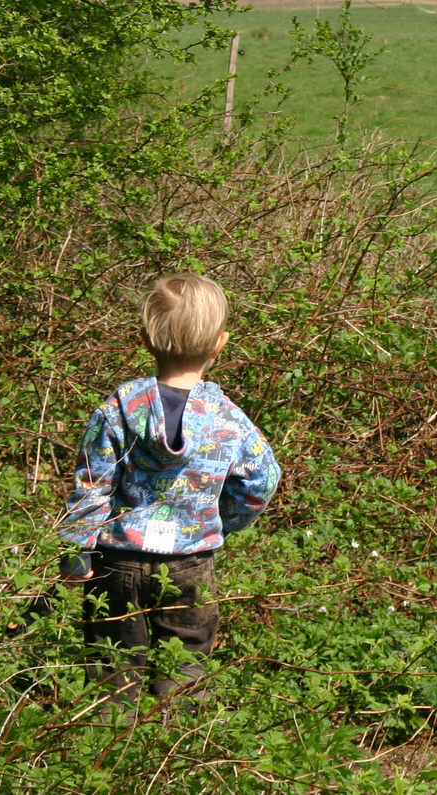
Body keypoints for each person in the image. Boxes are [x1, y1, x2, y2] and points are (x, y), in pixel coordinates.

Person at [57, 272, 281, 705]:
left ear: (145, 338)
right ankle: (171, 759)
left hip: (115, 563)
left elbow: (92, 485)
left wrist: (75, 553)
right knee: (184, 668)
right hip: (192, 564)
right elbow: (262, 481)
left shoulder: (117, 411)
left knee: (111, 669)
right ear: (220, 343)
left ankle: (104, 754)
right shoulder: (229, 419)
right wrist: (225, 522)